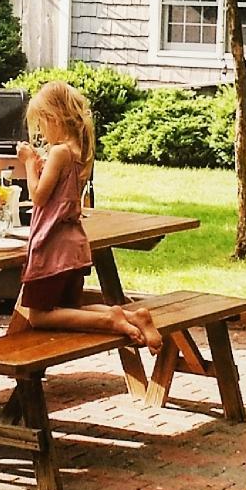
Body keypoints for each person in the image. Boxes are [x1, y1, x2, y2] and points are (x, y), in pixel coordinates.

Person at [14, 81, 161, 351]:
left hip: (53, 246)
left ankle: (113, 320)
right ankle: (132, 315)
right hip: (73, 245)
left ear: (54, 117)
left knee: (39, 316)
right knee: (70, 308)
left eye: (42, 124)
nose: (42, 133)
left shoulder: (59, 153)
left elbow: (38, 196)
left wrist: (27, 163)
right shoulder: (78, 152)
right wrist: (39, 163)